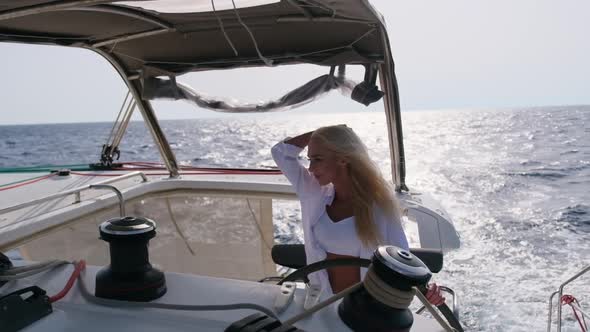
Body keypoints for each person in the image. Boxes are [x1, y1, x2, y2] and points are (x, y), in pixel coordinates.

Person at [271, 125, 444, 304]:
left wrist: (429, 291)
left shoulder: (380, 207)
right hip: (320, 306)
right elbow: (281, 153)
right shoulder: (313, 193)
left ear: (343, 159)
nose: (310, 168)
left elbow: (401, 257)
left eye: (317, 159)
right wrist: (320, 134)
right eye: (309, 159)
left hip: (366, 311)